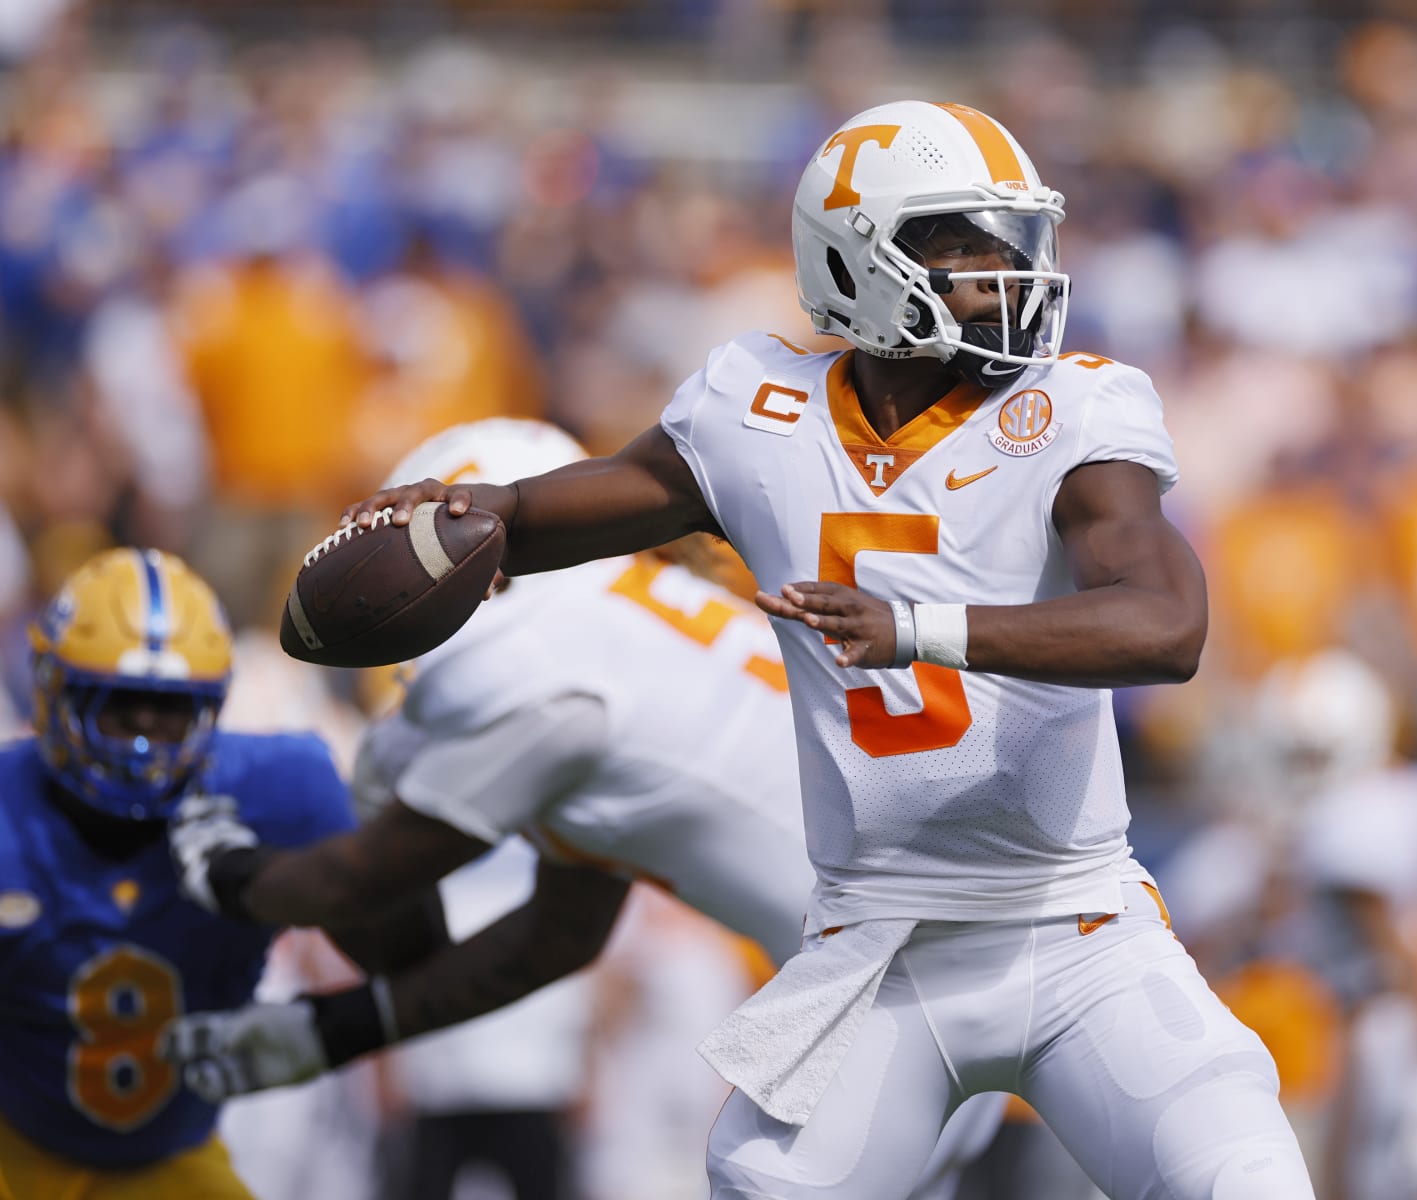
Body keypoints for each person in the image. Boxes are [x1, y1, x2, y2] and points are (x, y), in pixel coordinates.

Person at [187, 100, 1314, 1198]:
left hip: (1078, 927)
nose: (1001, 272)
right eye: (960, 244)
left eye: (1006, 241)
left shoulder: (1073, 411)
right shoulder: (752, 413)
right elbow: (561, 512)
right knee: (763, 1181)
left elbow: (1167, 628)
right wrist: (454, 517)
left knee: (1243, 1175)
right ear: (857, 261)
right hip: (879, 951)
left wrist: (918, 629)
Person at [161, 418, 1004, 1200]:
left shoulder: (537, 670)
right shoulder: (632, 635)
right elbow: (552, 940)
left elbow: (360, 886)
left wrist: (220, 868)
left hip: (895, 1006)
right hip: (943, 972)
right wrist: (332, 1031)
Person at [0, 548, 380, 1200]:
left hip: (168, 1159)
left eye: (169, 709)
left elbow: (408, 940)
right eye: (121, 705)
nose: (144, 738)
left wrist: (334, 1019)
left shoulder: (282, 790)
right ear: (55, 693)